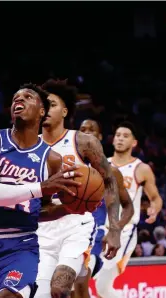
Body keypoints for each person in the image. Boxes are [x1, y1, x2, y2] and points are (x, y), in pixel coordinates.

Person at [0, 83, 83, 298]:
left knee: (9, 296)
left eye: (28, 97)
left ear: (42, 112)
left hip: (21, 244)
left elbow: (41, 208)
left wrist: (71, 208)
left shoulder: (51, 159)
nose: (18, 100)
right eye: (15, 98)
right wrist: (40, 187)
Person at [35, 80, 125, 298]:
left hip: (77, 225)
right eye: (43, 105)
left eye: (52, 105)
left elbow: (110, 181)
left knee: (61, 286)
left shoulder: (83, 142)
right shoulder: (29, 146)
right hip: (40, 226)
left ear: (64, 111)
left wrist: (114, 229)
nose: (46, 109)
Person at [94, 121, 163, 298]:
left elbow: (155, 197)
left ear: (134, 142)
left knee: (102, 282)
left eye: (125, 136)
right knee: (95, 284)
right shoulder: (103, 164)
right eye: (118, 135)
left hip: (124, 230)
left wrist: (154, 209)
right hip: (99, 228)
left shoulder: (141, 169)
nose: (120, 138)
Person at [73, 119, 134, 298]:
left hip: (94, 238)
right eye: (82, 129)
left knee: (80, 282)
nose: (86, 132)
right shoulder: (64, 165)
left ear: (99, 137)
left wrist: (115, 230)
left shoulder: (110, 172)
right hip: (64, 233)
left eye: (91, 130)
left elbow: (128, 206)